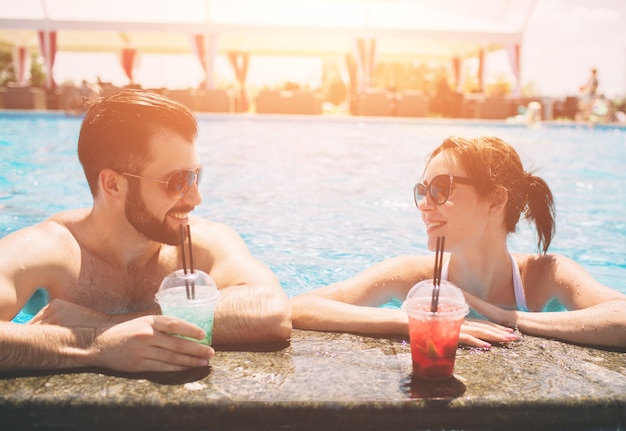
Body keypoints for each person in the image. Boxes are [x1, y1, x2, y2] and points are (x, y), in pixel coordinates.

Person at [0, 89, 292, 372]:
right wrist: (92, 345)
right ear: (113, 184)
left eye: (195, 176)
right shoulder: (48, 251)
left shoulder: (202, 241)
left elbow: (271, 308)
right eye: (176, 181)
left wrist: (105, 325)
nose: (195, 199)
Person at [291, 136, 626, 349]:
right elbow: (301, 306)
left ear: (496, 200)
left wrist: (505, 317)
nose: (424, 203)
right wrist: (413, 323)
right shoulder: (413, 276)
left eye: (440, 188)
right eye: (422, 191)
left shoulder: (544, 276)